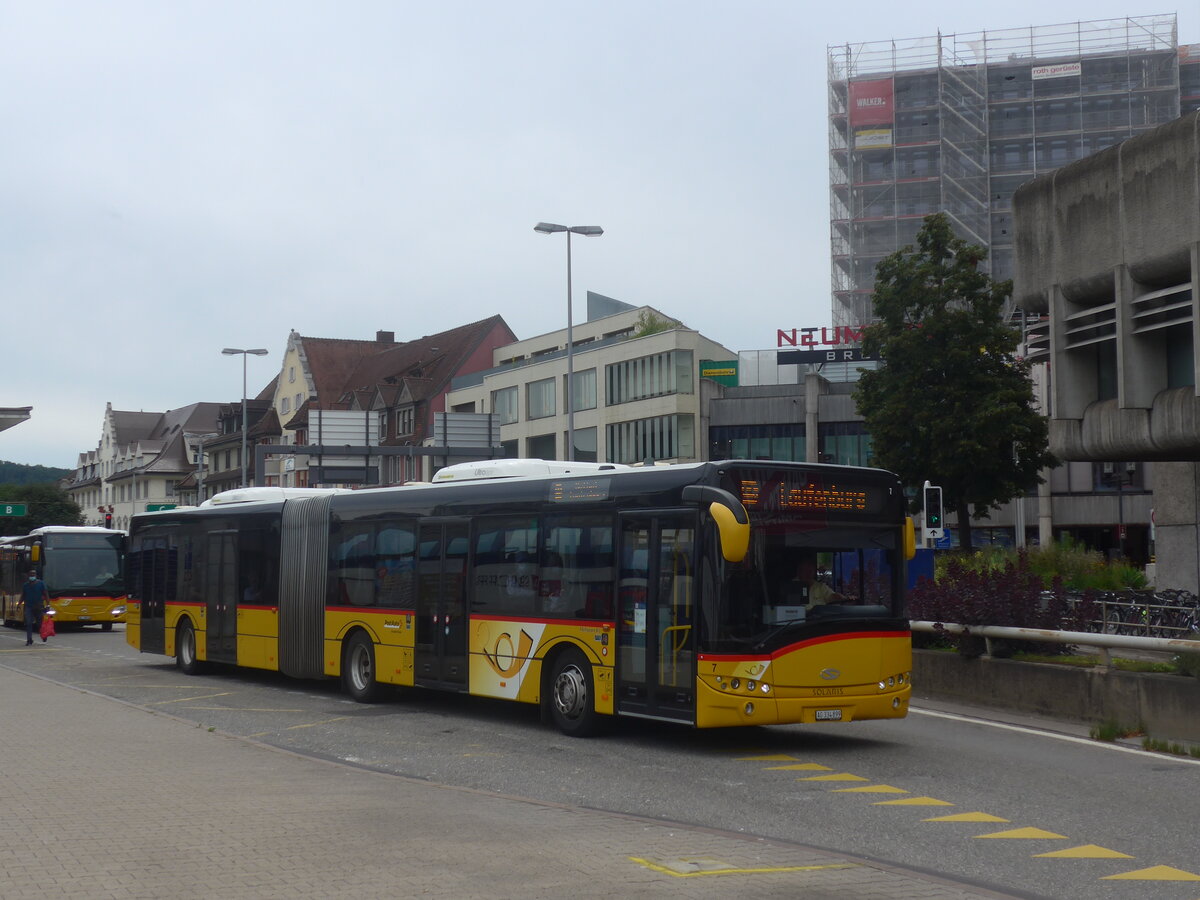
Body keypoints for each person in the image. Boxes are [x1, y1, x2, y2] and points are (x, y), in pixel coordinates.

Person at [22, 569, 50, 645]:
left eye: (33, 575)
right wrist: (19, 604)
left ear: (36, 575)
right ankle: (29, 639)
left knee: (39, 624)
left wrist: (48, 605)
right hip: (29, 607)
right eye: (31, 575)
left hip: (39, 607)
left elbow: (46, 594)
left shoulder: (41, 584)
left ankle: (44, 636)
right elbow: (23, 595)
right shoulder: (25, 585)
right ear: (28, 576)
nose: (32, 576)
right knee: (29, 623)